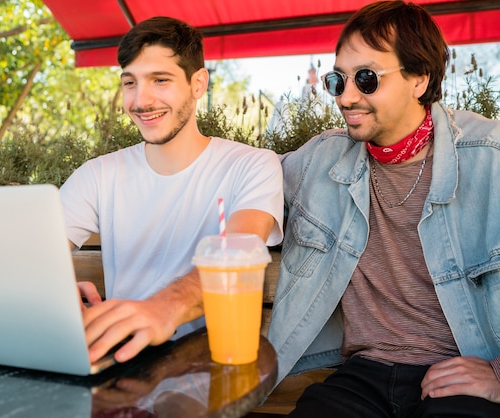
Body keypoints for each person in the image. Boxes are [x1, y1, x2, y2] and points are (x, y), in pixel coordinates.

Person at [268, 1, 500, 416]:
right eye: (338, 80)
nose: (348, 97)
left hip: (459, 373)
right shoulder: (320, 161)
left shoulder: (490, 158)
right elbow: (246, 181)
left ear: (419, 78)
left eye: (367, 79)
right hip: (362, 376)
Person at [59, 17, 283, 367]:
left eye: (159, 80)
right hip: (120, 359)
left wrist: (162, 309)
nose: (141, 100)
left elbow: (238, 258)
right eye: (129, 83)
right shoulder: (97, 175)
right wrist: (48, 291)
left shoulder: (252, 166)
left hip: (210, 363)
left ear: (198, 83)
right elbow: (37, 255)